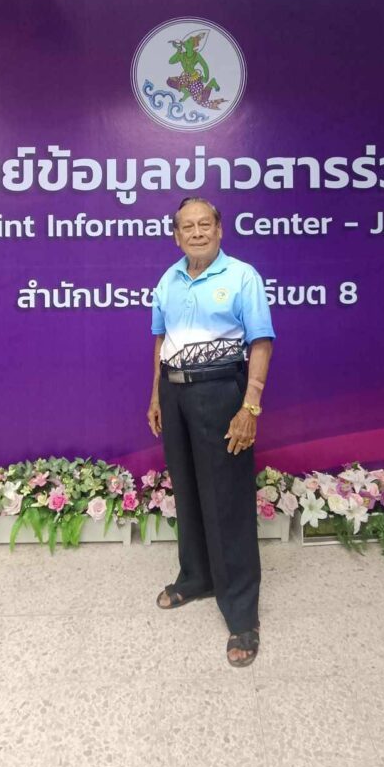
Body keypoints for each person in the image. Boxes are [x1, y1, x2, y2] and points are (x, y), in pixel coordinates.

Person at [147, 197, 275, 667]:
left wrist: (250, 405)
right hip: (175, 393)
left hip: (221, 391)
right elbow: (161, 340)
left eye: (205, 224)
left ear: (220, 230)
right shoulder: (168, 279)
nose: (197, 232)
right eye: (188, 226)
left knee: (227, 500)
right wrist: (156, 395)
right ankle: (197, 577)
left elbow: (261, 341)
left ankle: (241, 613)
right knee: (187, 490)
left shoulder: (242, 276)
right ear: (176, 236)